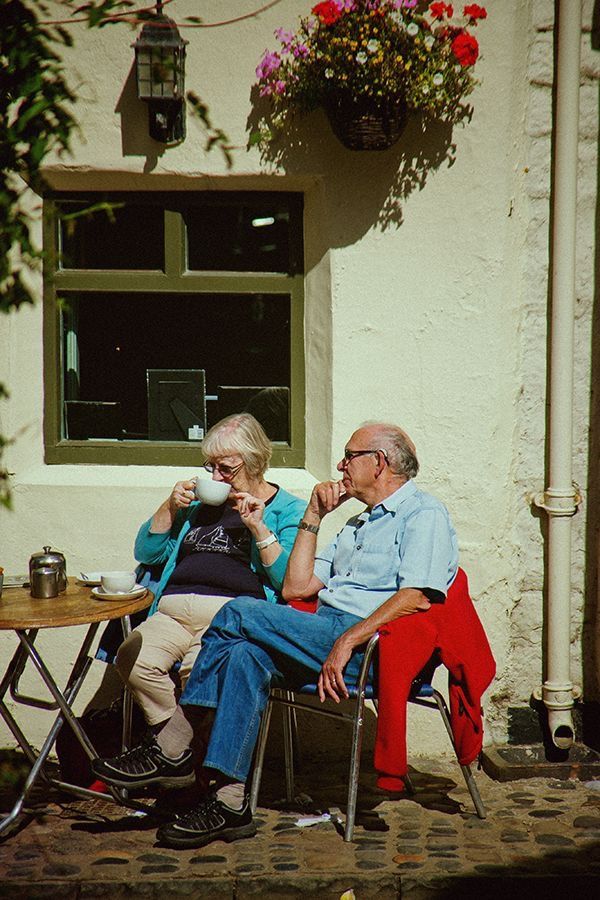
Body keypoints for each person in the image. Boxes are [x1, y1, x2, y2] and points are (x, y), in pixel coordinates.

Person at [93, 422, 459, 849]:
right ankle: (231, 803)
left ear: (379, 463)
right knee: (244, 655)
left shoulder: (423, 514)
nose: (340, 464)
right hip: (321, 632)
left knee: (236, 612)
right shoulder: (360, 524)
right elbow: (296, 587)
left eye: (349, 455)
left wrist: (349, 640)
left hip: (370, 648)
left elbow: (417, 595)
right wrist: (314, 516)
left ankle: (173, 746)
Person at [113, 412, 306, 736]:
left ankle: (179, 758)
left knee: (199, 673)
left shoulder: (288, 509)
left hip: (229, 615)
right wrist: (170, 507)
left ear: (255, 462)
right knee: (131, 659)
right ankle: (178, 754)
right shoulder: (197, 505)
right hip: (171, 612)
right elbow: (148, 553)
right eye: (210, 467)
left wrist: (258, 528)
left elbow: (288, 582)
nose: (215, 476)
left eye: (226, 468)